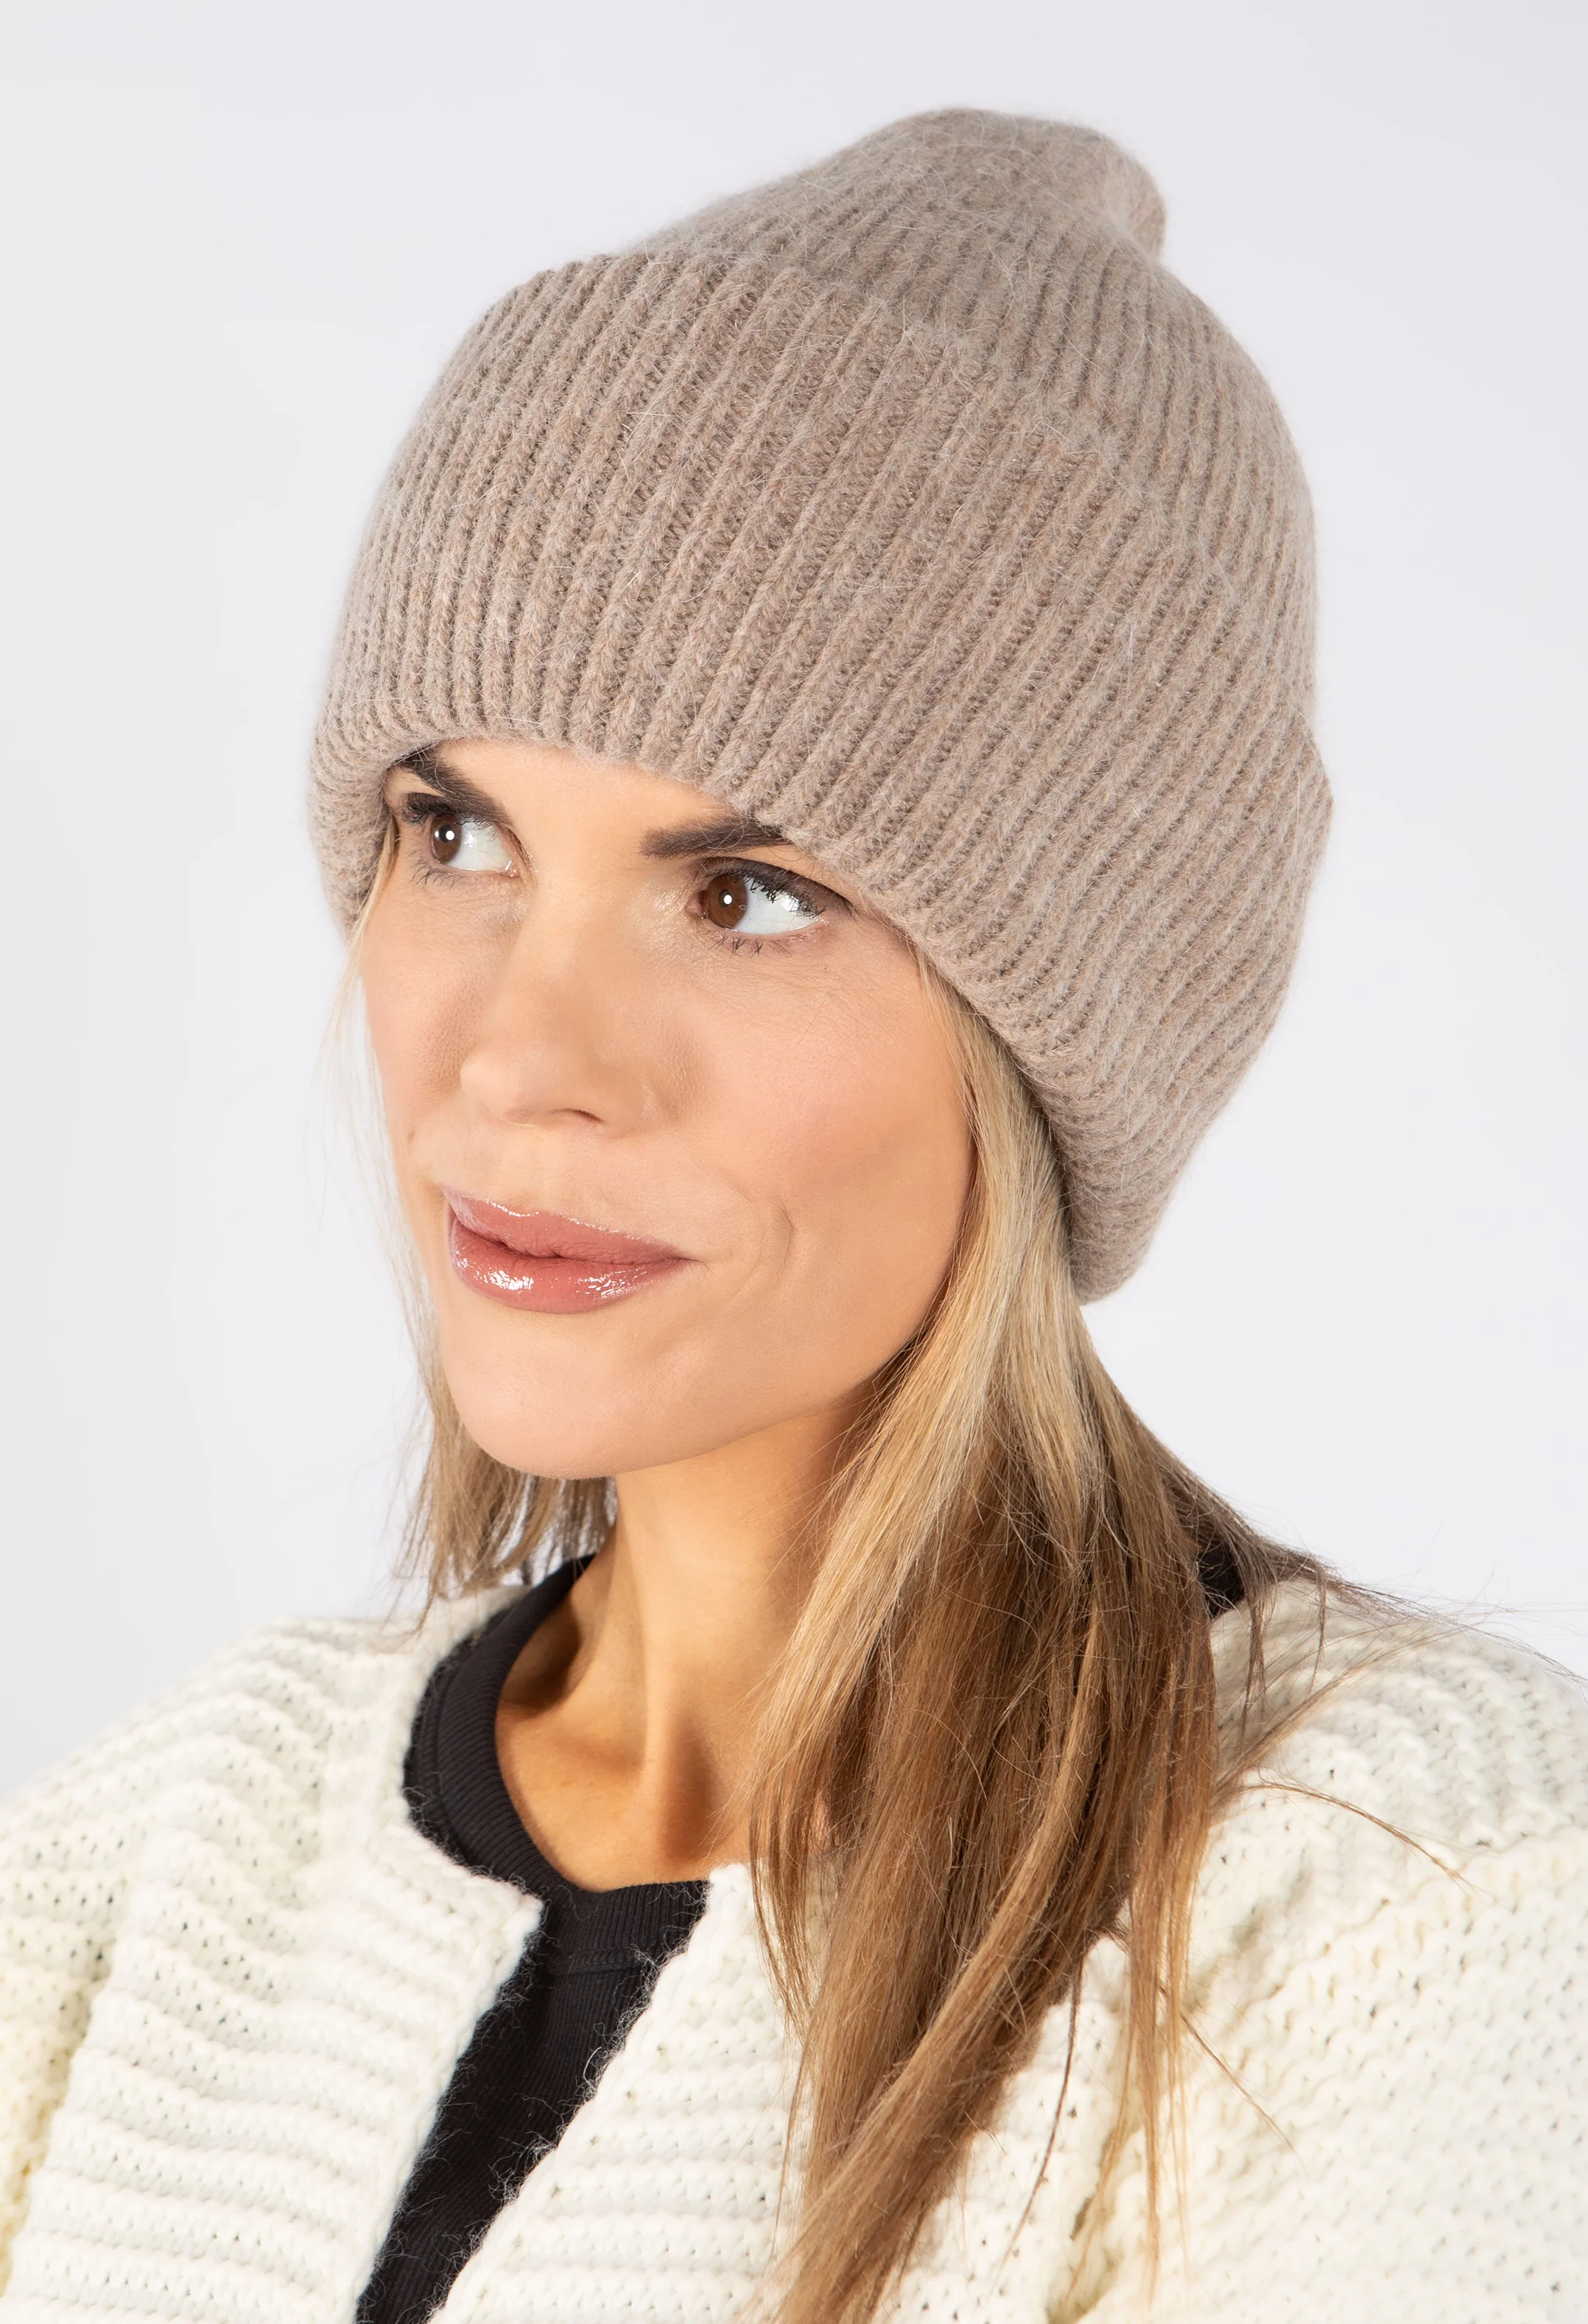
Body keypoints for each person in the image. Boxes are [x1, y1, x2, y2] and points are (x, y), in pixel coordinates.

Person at [1, 109, 1583, 2324]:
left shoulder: (1410, 1896)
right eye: (455, 835)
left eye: (747, 894)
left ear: (1061, 1034)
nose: (520, 1055)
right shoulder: (170, 1836)